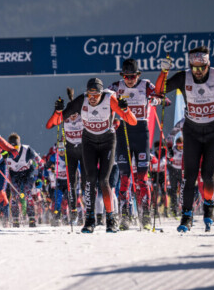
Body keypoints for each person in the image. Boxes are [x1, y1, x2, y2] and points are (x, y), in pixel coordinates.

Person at [156, 47, 214, 232]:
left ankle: (209, 208)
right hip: (192, 131)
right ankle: (186, 216)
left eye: (202, 67)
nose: (198, 72)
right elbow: (159, 91)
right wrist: (164, 72)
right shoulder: (184, 77)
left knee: (207, 176)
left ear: (208, 64)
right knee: (189, 177)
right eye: (194, 68)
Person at [48, 77, 138, 233]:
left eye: (96, 94)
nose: (93, 98)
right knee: (89, 180)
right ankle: (89, 220)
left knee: (103, 180)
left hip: (107, 142)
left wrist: (125, 110)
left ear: (101, 93)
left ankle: (111, 219)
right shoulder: (81, 100)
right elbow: (52, 123)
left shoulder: (110, 99)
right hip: (89, 142)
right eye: (90, 94)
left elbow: (132, 122)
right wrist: (57, 111)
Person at [108, 58, 163, 230]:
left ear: (138, 75)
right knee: (124, 177)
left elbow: (163, 98)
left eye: (132, 76)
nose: (129, 80)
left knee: (142, 178)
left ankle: (145, 215)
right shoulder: (115, 87)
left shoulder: (146, 85)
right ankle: (125, 216)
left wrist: (155, 101)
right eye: (126, 76)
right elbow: (102, 100)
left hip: (141, 133)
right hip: (123, 133)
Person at [45, 87, 85, 225]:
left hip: (82, 151)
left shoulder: (83, 117)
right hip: (70, 153)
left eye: (75, 114)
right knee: (62, 196)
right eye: (70, 114)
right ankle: (67, 214)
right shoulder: (65, 118)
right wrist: (57, 111)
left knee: (83, 186)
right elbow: (49, 125)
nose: (73, 117)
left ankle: (85, 213)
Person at [5, 133, 43, 227]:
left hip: (27, 173)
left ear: (20, 144)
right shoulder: (5, 152)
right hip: (14, 175)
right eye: (12, 147)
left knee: (28, 194)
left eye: (16, 146)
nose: (14, 149)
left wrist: (39, 178)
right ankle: (15, 218)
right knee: (14, 196)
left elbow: (40, 162)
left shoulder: (27, 150)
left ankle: (31, 217)